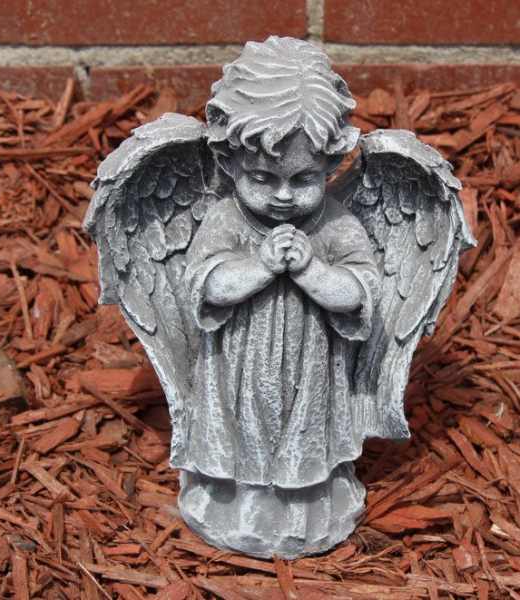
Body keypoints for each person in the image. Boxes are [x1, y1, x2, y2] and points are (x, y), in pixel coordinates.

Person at [177, 36, 382, 558]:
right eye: (263, 178)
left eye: (304, 178)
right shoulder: (224, 219)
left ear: (330, 165)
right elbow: (206, 287)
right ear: (229, 162)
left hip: (311, 368)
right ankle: (239, 504)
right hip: (239, 367)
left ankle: (306, 507)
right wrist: (260, 265)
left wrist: (312, 269)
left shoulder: (336, 224)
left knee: (304, 433)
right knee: (244, 431)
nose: (285, 195)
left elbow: (357, 295)